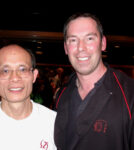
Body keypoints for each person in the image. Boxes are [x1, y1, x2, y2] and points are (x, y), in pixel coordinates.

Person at [54, 12, 134, 150]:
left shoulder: (130, 94)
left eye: (89, 38)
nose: (81, 48)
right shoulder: (62, 94)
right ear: (66, 48)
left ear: (103, 43)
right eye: (73, 40)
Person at [0, 44, 57, 150]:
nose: (15, 78)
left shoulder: (54, 123)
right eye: (5, 71)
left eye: (22, 69)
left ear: (34, 75)